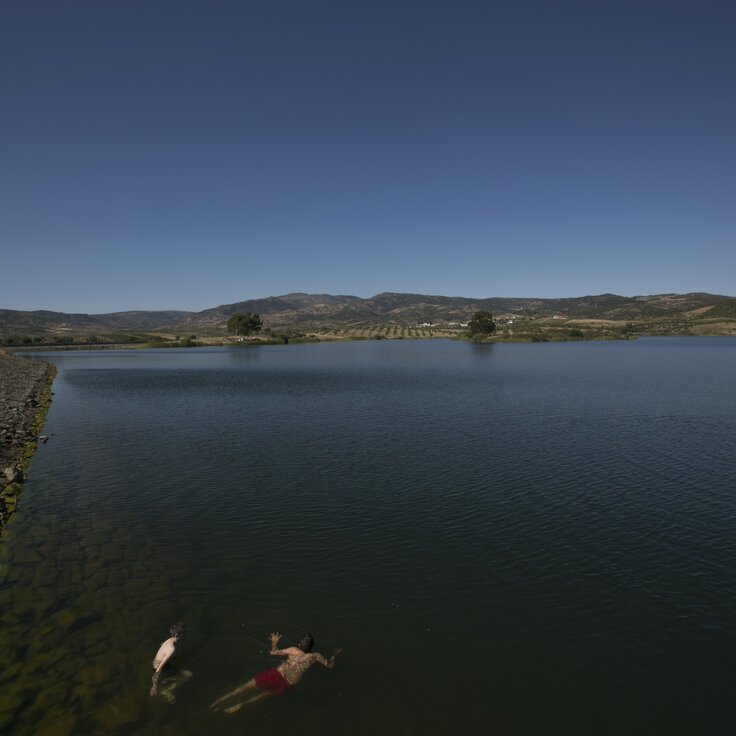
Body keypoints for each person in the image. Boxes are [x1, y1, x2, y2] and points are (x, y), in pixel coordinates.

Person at [210, 631, 341, 714]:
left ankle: (216, 703)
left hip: (277, 674)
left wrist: (274, 643)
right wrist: (334, 656)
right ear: (311, 647)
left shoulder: (294, 650)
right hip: (289, 683)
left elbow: (273, 652)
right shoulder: (315, 656)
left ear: (300, 644)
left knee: (245, 687)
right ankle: (239, 705)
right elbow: (330, 666)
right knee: (263, 695)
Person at [150, 622, 190, 700]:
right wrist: (154, 685)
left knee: (177, 669)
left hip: (155, 662)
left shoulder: (169, 639)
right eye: (183, 633)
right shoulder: (171, 649)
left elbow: (161, 645)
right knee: (187, 675)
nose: (184, 634)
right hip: (159, 667)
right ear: (176, 635)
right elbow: (160, 667)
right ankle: (167, 690)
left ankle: (166, 680)